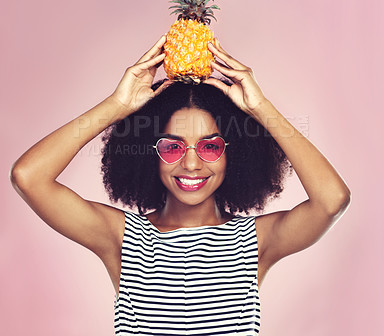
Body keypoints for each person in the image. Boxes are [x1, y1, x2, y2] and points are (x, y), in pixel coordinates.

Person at [10, 35, 351, 335]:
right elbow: (29, 177)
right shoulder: (122, 239)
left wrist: (261, 109)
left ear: (234, 154)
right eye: (172, 146)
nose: (190, 163)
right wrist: (117, 105)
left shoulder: (254, 242)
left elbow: (331, 201)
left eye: (210, 146)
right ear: (151, 155)